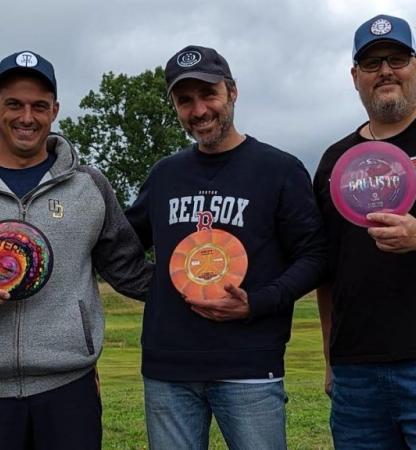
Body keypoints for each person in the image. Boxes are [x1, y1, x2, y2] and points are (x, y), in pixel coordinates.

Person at [0, 50, 151, 450]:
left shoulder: (89, 186)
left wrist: (194, 283)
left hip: (68, 387)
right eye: (14, 104)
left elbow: (128, 269)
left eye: (39, 106)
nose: (26, 117)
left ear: (54, 110)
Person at [125, 45, 325, 450]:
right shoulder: (165, 175)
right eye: (185, 100)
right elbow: (122, 244)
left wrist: (259, 301)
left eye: (208, 95)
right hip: (168, 369)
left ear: (232, 92)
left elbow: (316, 255)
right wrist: (158, 288)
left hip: (249, 365)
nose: (198, 110)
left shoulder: (279, 169)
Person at [314, 14, 416, 449]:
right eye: (371, 63)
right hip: (356, 376)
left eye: (397, 58)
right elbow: (328, 272)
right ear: (355, 77)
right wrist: (332, 359)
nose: (385, 70)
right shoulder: (335, 162)